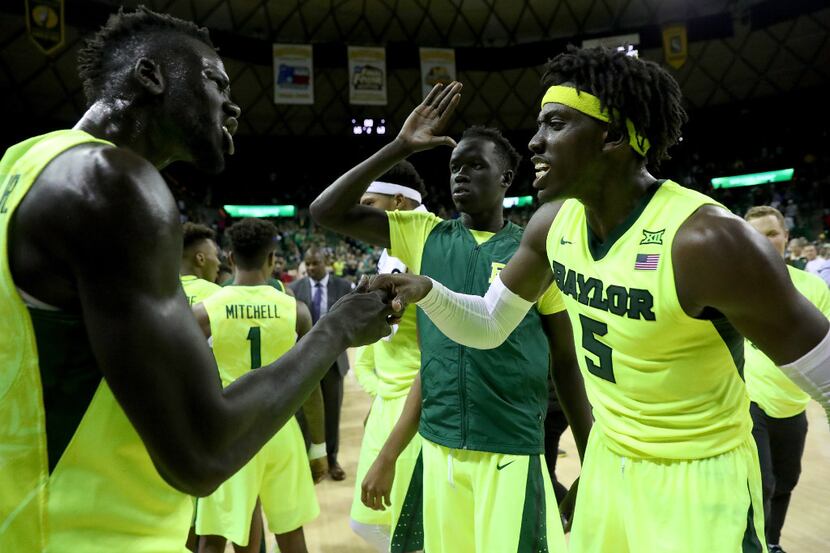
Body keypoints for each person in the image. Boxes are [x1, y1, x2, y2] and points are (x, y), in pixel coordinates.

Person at [368, 47, 830, 552]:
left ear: (612, 135)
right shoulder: (552, 224)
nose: (535, 140)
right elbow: (489, 324)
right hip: (610, 464)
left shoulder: (706, 241)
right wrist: (428, 291)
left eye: (556, 123)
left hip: (697, 476)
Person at [0, 7, 393, 551]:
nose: (232, 104)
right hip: (89, 535)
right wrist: (336, 329)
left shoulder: (18, 167)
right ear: (150, 75)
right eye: (214, 81)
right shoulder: (114, 184)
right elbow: (203, 452)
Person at [311, 90, 592, 553]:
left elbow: (565, 362)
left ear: (506, 177)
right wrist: (400, 146)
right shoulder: (424, 234)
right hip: (437, 447)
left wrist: (590, 458)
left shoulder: (536, 252)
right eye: (455, 166)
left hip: (510, 447)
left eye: (475, 165)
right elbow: (326, 211)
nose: (461, 174)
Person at [193, 219, 324, 553]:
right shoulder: (297, 311)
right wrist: (319, 447)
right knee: (291, 536)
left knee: (214, 538)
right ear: (272, 260)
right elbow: (311, 386)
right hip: (280, 430)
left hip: (230, 431)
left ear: (231, 259)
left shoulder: (205, 311)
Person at [347, 161, 429, 551]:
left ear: (398, 202)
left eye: (369, 202)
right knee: (377, 524)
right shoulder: (390, 252)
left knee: (417, 530)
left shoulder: (429, 246)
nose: (361, 212)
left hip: (420, 404)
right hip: (389, 399)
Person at [743, 206, 830, 553]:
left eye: (771, 234)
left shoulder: (813, 287)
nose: (763, 241)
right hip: (750, 400)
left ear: (786, 237)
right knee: (760, 482)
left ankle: (773, 541)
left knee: (786, 480)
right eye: (754, 234)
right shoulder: (732, 284)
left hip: (794, 403)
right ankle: (755, 544)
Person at [289, 248, 355, 481]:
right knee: (305, 413)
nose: (310, 267)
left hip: (334, 360)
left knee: (332, 412)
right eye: (307, 263)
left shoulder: (344, 287)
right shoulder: (294, 289)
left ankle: (332, 459)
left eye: (315, 263)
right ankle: (310, 460)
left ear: (326, 262)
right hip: (305, 361)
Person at [181, 222, 222, 302]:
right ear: (200, 259)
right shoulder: (217, 295)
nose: (219, 263)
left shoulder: (160, 291)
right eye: (216, 255)